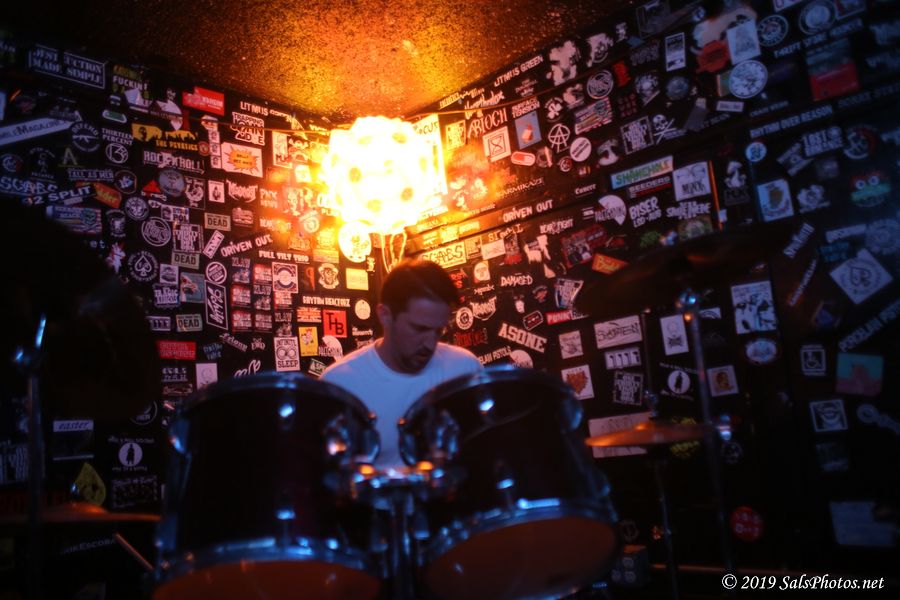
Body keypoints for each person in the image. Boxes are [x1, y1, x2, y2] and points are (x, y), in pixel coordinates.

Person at [321, 259, 482, 468]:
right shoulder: (339, 384)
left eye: (438, 331)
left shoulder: (464, 369)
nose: (430, 344)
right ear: (385, 315)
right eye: (419, 329)